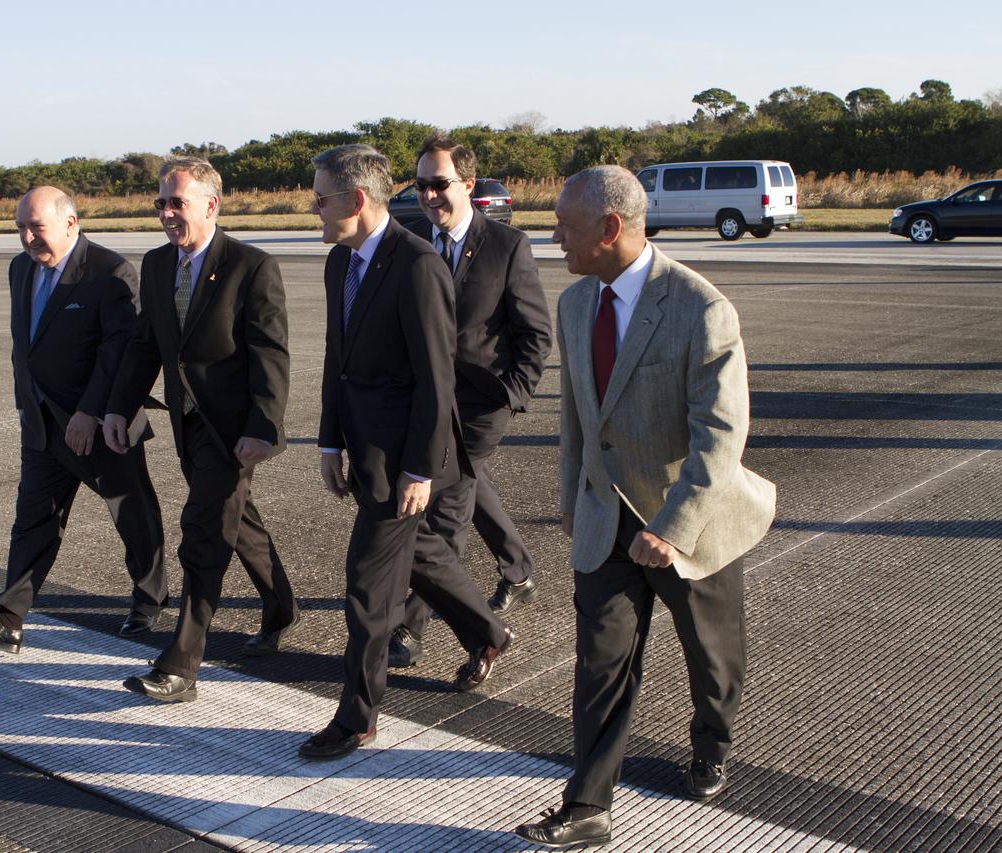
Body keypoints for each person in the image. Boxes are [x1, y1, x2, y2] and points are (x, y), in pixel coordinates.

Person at [515, 166, 776, 847]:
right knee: (600, 663)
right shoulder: (575, 305)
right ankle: (587, 805)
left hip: (692, 520)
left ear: (608, 228)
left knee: (713, 663)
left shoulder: (701, 308)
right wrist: (574, 493)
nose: (554, 237)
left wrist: (673, 528)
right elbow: (576, 416)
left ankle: (713, 743)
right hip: (605, 521)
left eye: (565, 226)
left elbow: (721, 435)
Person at [301, 144, 513, 761]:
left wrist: (419, 468)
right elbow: (337, 361)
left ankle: (357, 718)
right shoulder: (340, 263)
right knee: (424, 555)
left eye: (321, 198)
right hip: (366, 451)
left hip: (408, 461)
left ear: (357, 200)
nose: (314, 209)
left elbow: (436, 379)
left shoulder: (417, 265)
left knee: (367, 588)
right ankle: (489, 631)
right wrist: (329, 439)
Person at [105, 157, 296, 704]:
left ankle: (182, 662)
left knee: (204, 531)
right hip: (189, 424)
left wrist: (265, 425)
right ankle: (281, 605)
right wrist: (118, 409)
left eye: (176, 202)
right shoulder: (159, 264)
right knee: (239, 522)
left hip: (234, 429)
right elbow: (147, 345)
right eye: (160, 203)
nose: (166, 213)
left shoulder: (250, 266)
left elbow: (271, 353)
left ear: (211, 205)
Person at [0, 186, 167, 654]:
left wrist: (90, 412)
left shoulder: (110, 272)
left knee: (131, 513)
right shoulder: (20, 269)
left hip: (101, 423)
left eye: (36, 228)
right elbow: (26, 346)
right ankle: (9, 618)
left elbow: (119, 353)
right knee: (33, 520)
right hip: (43, 423)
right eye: (20, 229)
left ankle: (150, 596)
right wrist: (27, 403)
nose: (27, 238)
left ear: (71, 223)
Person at [388, 136, 551, 669]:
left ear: (468, 185)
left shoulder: (507, 246)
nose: (430, 196)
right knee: (469, 486)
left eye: (440, 184)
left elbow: (534, 333)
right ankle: (518, 570)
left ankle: (409, 628)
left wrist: (513, 395)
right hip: (425, 400)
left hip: (481, 404)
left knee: (444, 509)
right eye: (421, 186)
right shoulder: (409, 241)